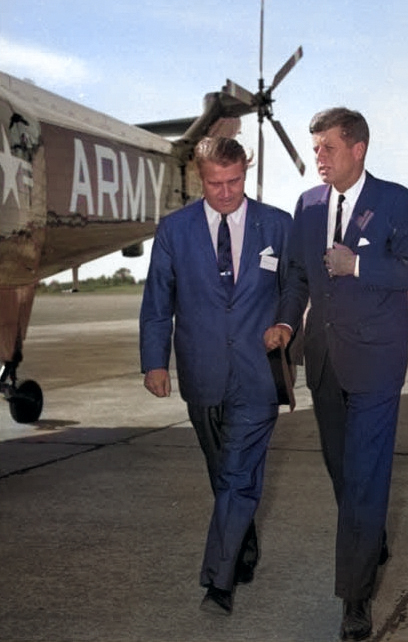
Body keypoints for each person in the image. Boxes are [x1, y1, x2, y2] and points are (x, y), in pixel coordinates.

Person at [264, 108, 408, 641]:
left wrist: (360, 265)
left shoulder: (395, 201)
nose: (318, 158)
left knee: (363, 476)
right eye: (315, 148)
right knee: (342, 470)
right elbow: (296, 275)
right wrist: (287, 321)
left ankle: (355, 600)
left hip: (377, 361)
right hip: (324, 360)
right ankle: (369, 536)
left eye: (328, 148)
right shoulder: (309, 205)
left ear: (358, 149)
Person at [140, 136, 292, 616]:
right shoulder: (174, 230)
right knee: (223, 473)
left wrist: (286, 323)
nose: (226, 193)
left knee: (237, 475)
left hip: (257, 374)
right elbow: (158, 301)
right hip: (202, 373)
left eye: (235, 182)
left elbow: (295, 286)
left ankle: (218, 582)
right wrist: (155, 362)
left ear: (245, 173)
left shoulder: (278, 225)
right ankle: (241, 543)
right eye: (214, 183)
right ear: (198, 179)